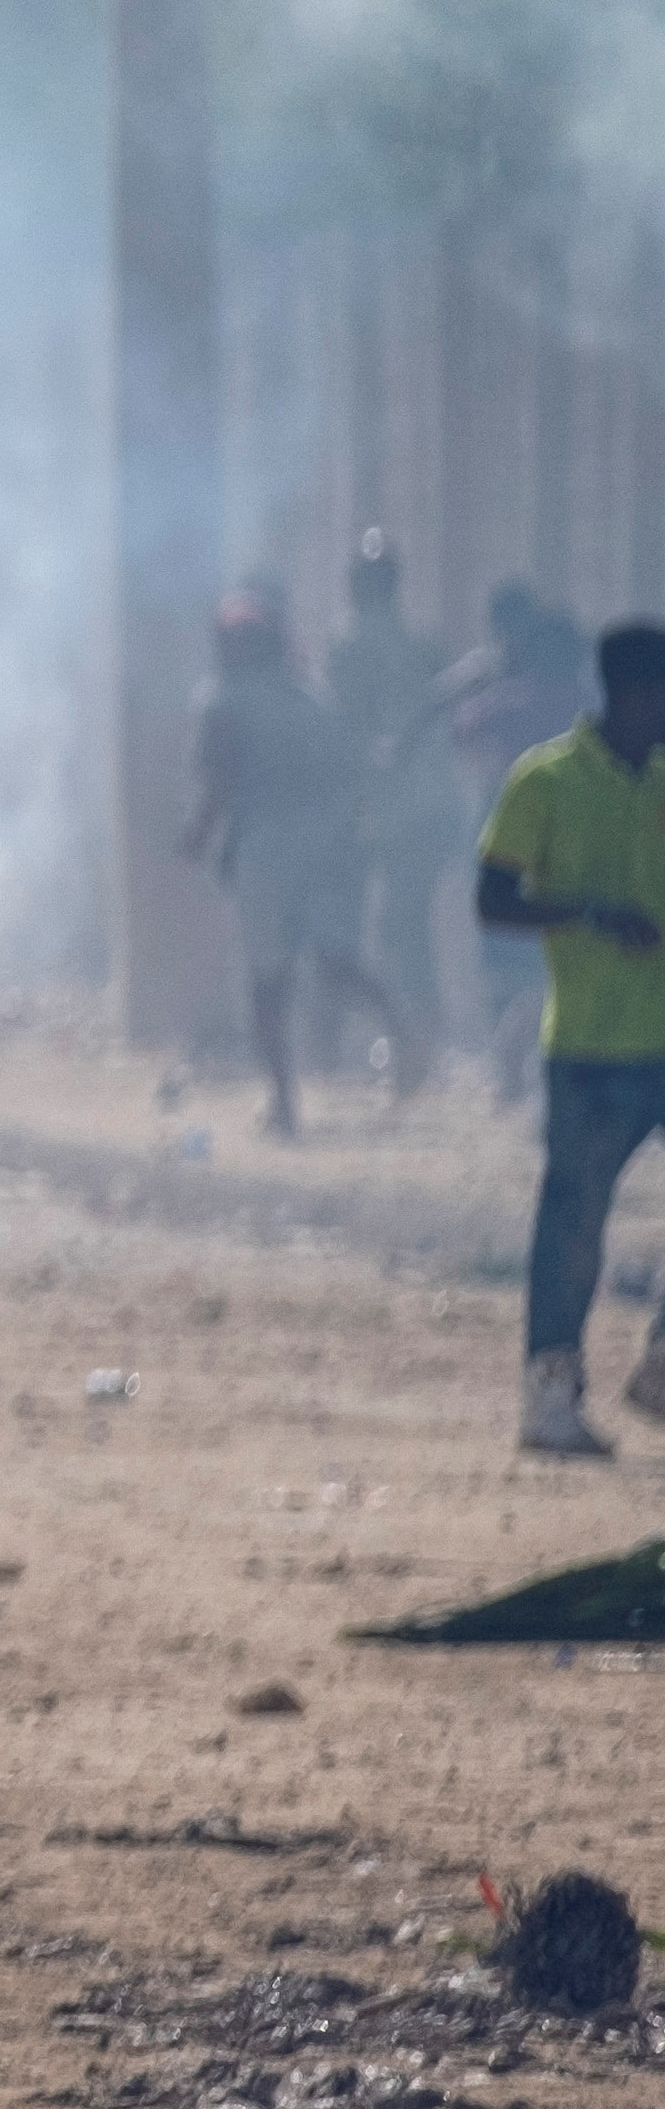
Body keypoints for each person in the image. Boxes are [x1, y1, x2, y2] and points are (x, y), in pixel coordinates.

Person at [484, 620, 665, 1456]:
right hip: (589, 1046)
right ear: (634, 694)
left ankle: (660, 1366)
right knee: (574, 1226)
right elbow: (494, 900)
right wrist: (587, 913)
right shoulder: (545, 780)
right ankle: (550, 1397)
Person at [185, 585, 411, 1141]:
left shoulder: (224, 700)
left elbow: (221, 778)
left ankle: (285, 1104)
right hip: (331, 847)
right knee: (333, 961)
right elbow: (349, 771)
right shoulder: (310, 696)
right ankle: (402, 1027)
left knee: (269, 982)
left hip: (269, 851)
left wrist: (198, 835)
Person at [451, 581, 599, 1105]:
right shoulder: (592, 702)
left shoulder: (510, 699)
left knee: (503, 958)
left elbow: (460, 732)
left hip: (508, 834)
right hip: (579, 842)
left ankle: (510, 1072)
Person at [331, 532, 461, 1054]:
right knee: (407, 921)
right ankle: (415, 1035)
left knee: (396, 926)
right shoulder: (425, 648)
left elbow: (344, 735)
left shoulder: (349, 653)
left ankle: (416, 1039)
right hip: (426, 809)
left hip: (389, 812)